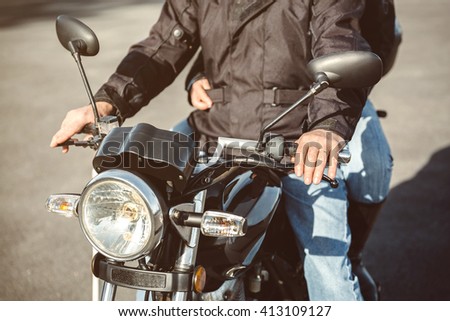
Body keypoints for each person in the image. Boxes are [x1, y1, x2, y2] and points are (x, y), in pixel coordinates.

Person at [50, 1, 391, 300]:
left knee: (328, 273)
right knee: (150, 225)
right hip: (212, 135)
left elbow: (339, 43)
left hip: (292, 141)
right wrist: (105, 101)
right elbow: (164, 43)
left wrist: (325, 127)